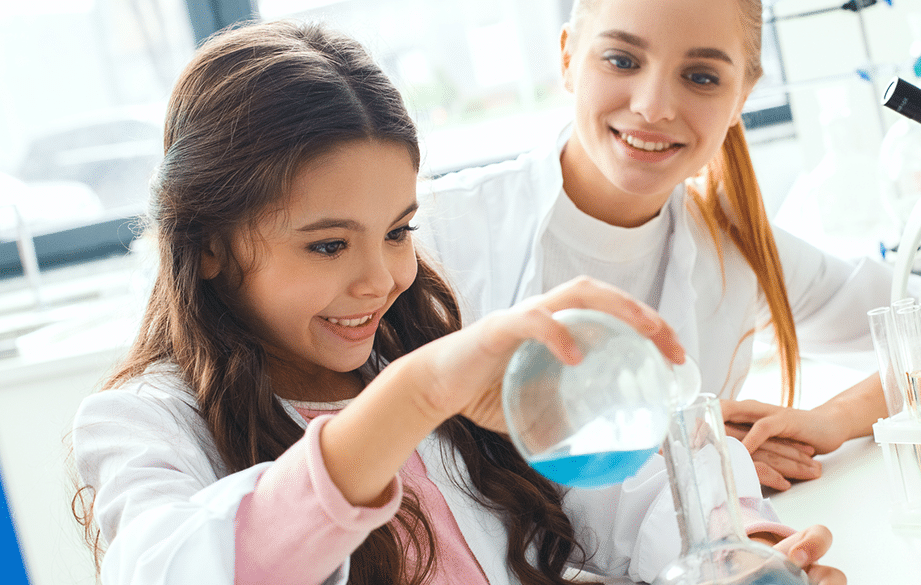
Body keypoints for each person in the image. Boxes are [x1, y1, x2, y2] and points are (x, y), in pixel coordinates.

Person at [70, 21, 846, 585]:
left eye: (399, 231)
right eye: (329, 245)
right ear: (207, 244)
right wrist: (413, 395)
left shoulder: (415, 356)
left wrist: (741, 544)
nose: (380, 279)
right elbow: (178, 569)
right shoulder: (144, 422)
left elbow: (616, 488)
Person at [417, 0, 892, 492]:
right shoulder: (433, 233)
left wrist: (834, 419)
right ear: (567, 59)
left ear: (742, 97)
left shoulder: (734, 243)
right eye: (622, 61)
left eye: (702, 77)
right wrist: (681, 452)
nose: (653, 106)